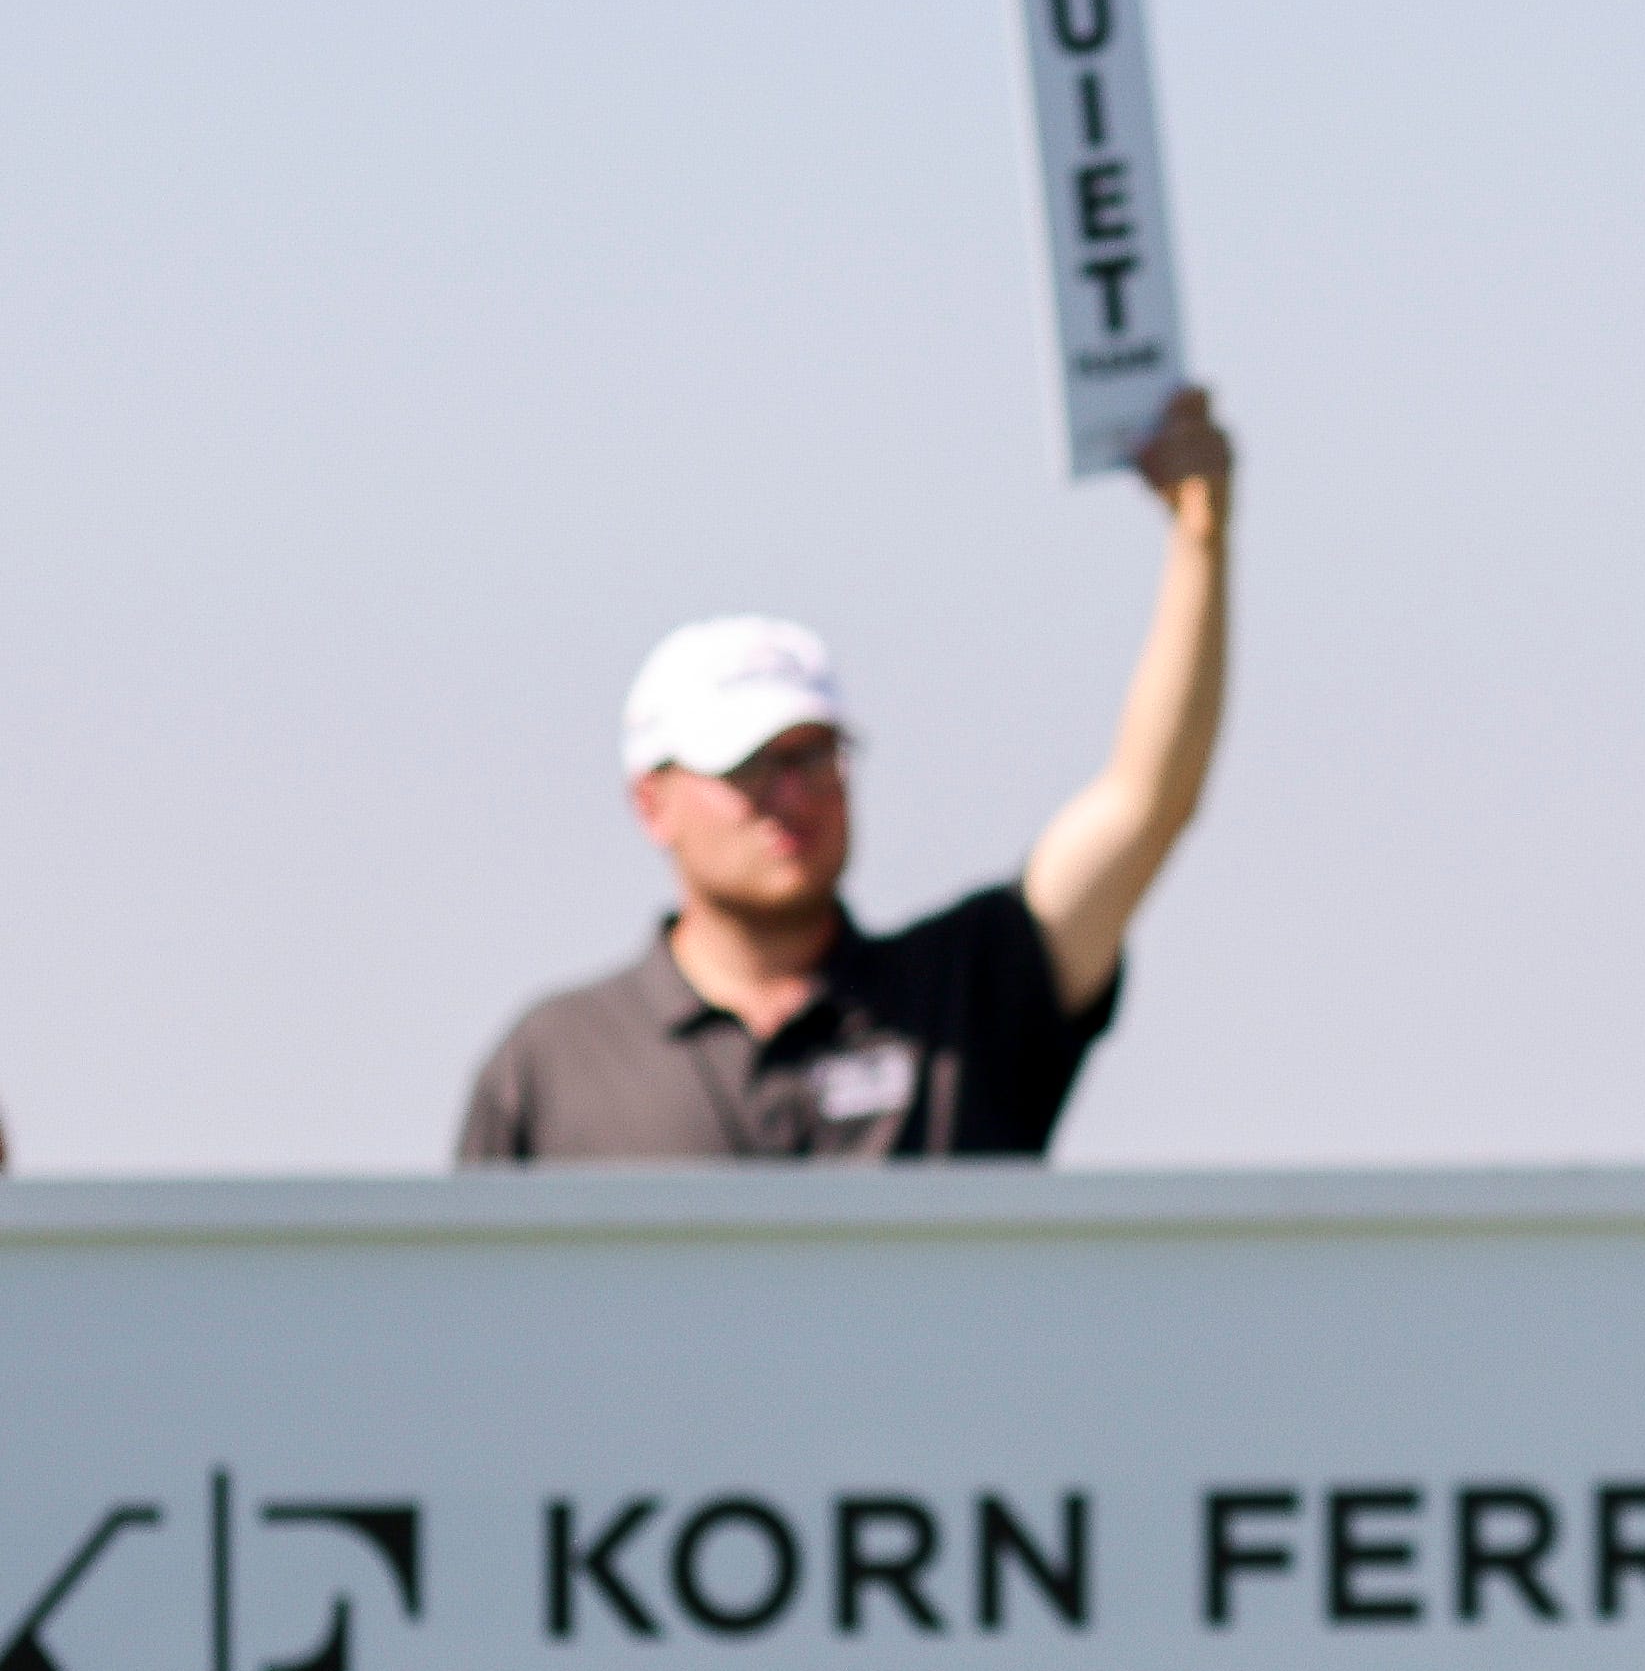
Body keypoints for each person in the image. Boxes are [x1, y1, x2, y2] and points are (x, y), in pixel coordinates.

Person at [455, 389, 1234, 1163]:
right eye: (747, 765)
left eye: (814, 755)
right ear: (651, 803)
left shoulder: (964, 996)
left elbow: (1146, 802)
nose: (792, 795)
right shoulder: (553, 1064)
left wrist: (1199, 539)